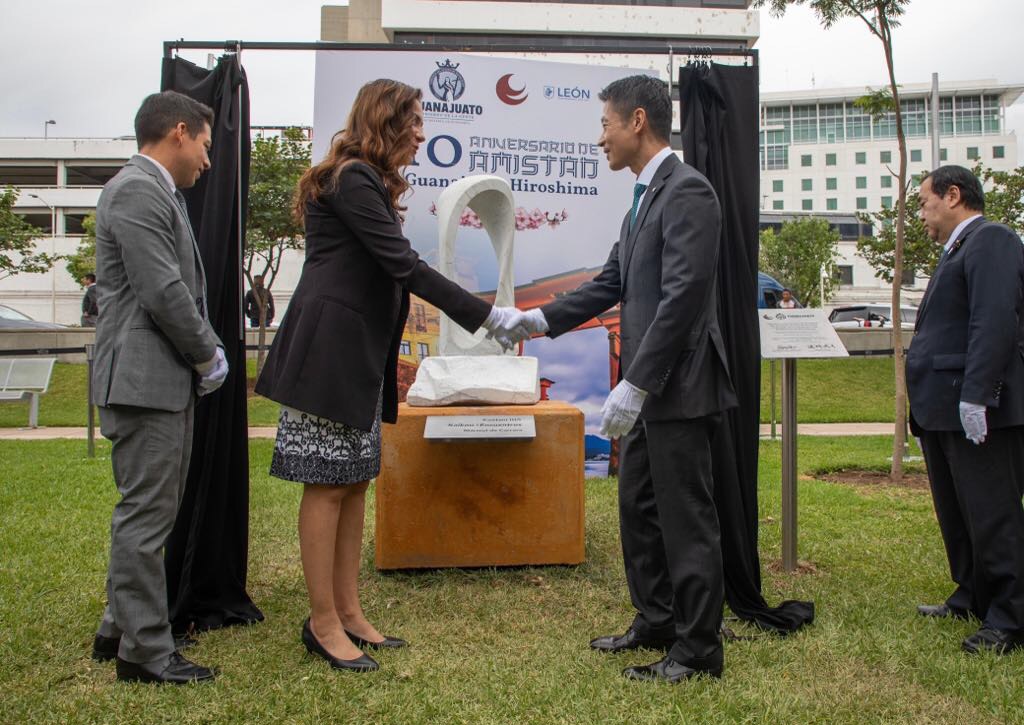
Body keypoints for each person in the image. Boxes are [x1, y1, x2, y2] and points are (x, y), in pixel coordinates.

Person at [254, 78, 524, 673]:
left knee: (352, 482)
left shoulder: (364, 180)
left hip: (356, 353)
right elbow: (401, 265)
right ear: (386, 121)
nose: (423, 134)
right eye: (414, 121)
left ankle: (349, 612)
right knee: (326, 486)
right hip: (329, 353)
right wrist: (489, 316)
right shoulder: (353, 178)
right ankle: (322, 622)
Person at [513, 75, 737, 682]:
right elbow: (609, 283)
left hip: (678, 387)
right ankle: (657, 619)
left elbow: (684, 297)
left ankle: (697, 649)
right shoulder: (642, 196)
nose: (600, 139)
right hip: (645, 388)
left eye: (605, 125)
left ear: (638, 121)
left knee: (686, 518)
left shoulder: (688, 191)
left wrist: (635, 381)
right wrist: (534, 318)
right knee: (639, 508)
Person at [90, 91, 229, 684]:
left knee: (149, 512)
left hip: (152, 380)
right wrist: (208, 353)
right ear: (178, 131)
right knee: (146, 518)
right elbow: (163, 291)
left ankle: (118, 627)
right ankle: (145, 653)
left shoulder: (149, 190)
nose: (207, 158)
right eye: (205, 143)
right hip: (146, 380)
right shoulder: (138, 189)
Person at [908, 164, 1024, 655]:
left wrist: (977, 394)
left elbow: (993, 321)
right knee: (957, 512)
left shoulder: (992, 239)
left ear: (953, 195)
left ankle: (1011, 617)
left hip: (978, 407)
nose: (920, 215)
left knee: (991, 513)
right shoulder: (955, 249)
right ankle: (973, 593)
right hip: (941, 409)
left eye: (923, 202)